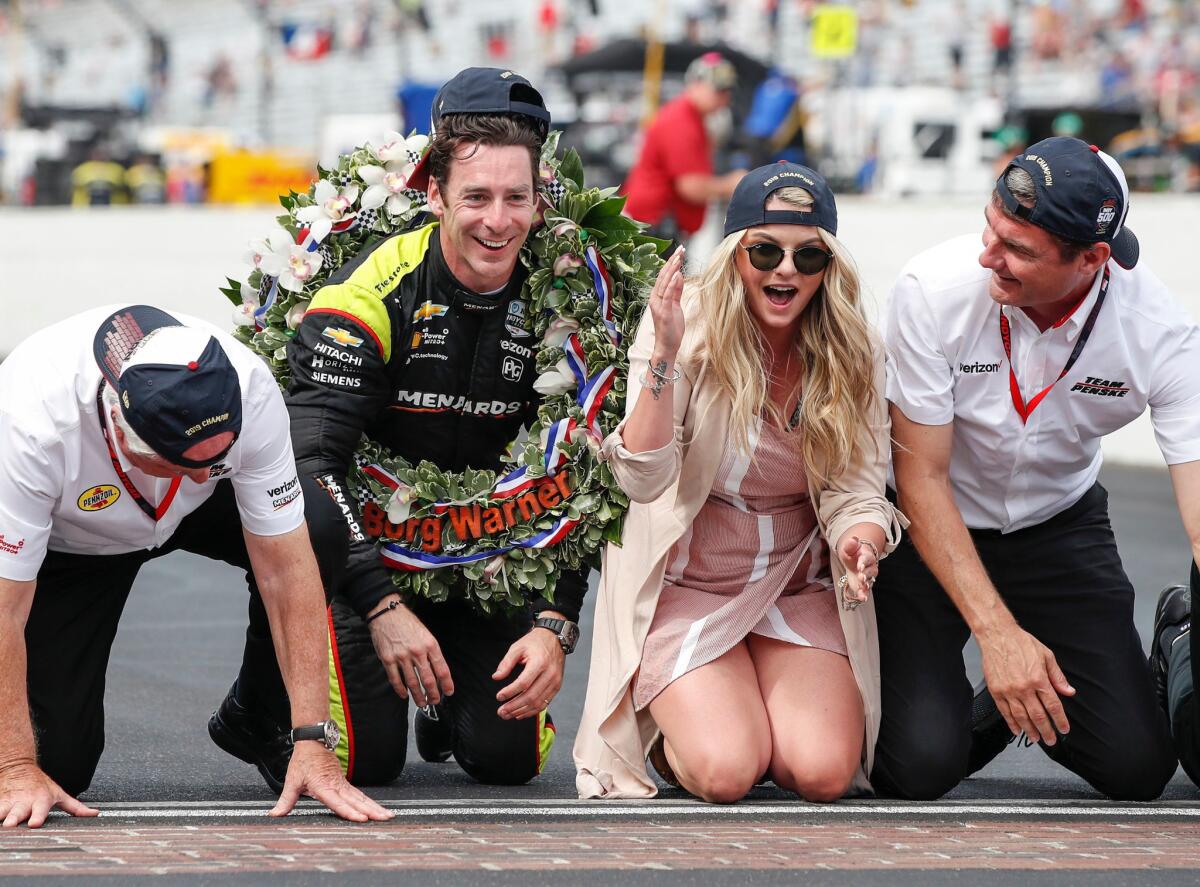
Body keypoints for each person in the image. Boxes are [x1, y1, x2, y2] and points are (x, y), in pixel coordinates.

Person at [211, 67, 589, 790]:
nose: (498, 221)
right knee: (367, 762)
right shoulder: (369, 290)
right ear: (434, 195)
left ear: (540, 202)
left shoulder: (568, 296)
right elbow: (310, 464)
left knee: (510, 761)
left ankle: (449, 704)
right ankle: (258, 704)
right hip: (370, 561)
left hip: (485, 560)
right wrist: (381, 604)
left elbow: (590, 469)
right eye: (476, 197)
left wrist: (554, 621)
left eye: (517, 198)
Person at [875, 136, 1200, 801]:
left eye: (1018, 250)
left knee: (1136, 768)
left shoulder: (1158, 331)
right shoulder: (932, 290)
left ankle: (1176, 638)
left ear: (1092, 260)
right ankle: (1009, 691)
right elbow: (922, 478)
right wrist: (999, 639)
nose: (987, 255)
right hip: (932, 518)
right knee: (915, 768)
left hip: (1057, 524)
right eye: (991, 228)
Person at [575, 163, 904, 802]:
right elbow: (644, 479)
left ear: (829, 265)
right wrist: (664, 357)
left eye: (808, 255)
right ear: (734, 255)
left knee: (823, 775)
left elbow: (859, 485)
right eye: (766, 251)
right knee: (727, 772)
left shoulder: (853, 345)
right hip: (689, 579)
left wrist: (861, 537)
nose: (787, 270)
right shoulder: (684, 321)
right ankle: (679, 735)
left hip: (793, 577)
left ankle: (744, 699)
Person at [0, 305, 391, 828]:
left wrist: (313, 738)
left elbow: (288, 567)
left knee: (316, 523)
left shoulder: (247, 387)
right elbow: (5, 612)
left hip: (191, 511)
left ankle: (259, 716)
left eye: (218, 460)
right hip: (71, 543)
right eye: (187, 464)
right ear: (119, 428)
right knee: (55, 768)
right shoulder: (32, 424)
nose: (208, 472)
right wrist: (15, 763)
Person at [622, 52, 747, 244]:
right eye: (719, 90)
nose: (725, 98)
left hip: (659, 224)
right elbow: (691, 187)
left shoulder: (692, 118)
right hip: (653, 226)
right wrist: (731, 183)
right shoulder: (681, 121)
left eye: (727, 91)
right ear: (695, 84)